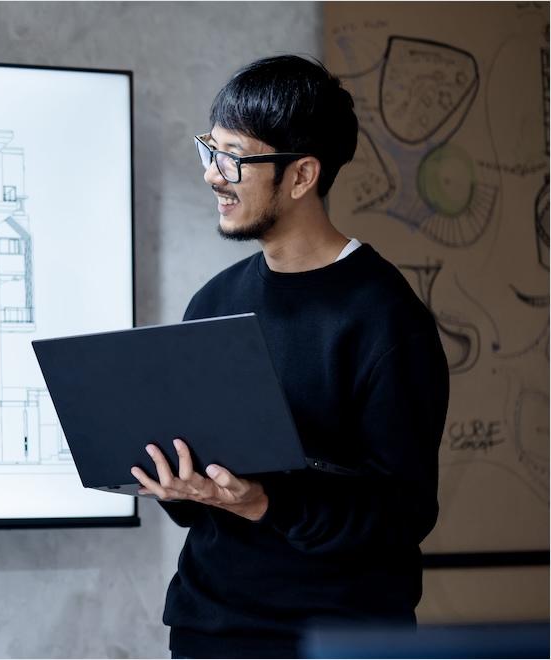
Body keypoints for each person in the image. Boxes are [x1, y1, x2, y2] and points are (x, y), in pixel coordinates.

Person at [131, 56, 450, 658]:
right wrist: (182, 487)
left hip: (336, 638)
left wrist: (267, 501)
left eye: (233, 158)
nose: (211, 176)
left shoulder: (386, 318)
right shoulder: (216, 301)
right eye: (210, 150)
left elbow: (403, 515)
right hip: (210, 627)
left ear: (302, 175)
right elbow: (205, 503)